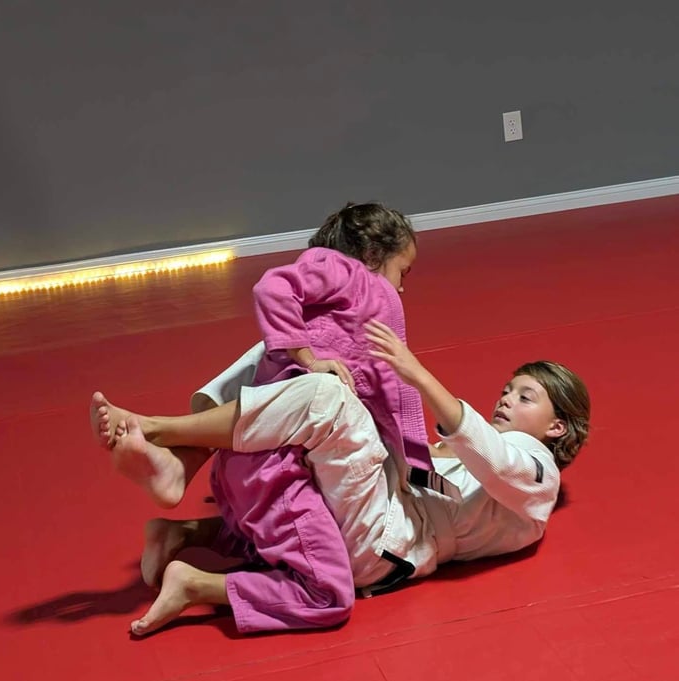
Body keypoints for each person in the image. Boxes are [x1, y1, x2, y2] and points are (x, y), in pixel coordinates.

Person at [94, 321, 590, 636]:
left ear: (557, 428)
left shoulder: (538, 482)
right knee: (303, 343)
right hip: (376, 509)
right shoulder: (463, 450)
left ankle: (159, 432)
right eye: (507, 389)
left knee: (326, 399)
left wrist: (416, 374)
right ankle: (183, 520)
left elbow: (498, 463)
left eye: (525, 397)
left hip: (390, 541)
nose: (505, 398)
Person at [92, 202, 437, 634]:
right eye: (403, 272)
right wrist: (308, 359)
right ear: (372, 255)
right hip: (275, 465)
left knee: (291, 534)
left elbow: (382, 396)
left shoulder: (340, 309)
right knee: (330, 594)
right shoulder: (349, 274)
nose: (401, 289)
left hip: (253, 462)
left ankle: (177, 520)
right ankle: (194, 583)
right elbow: (273, 288)